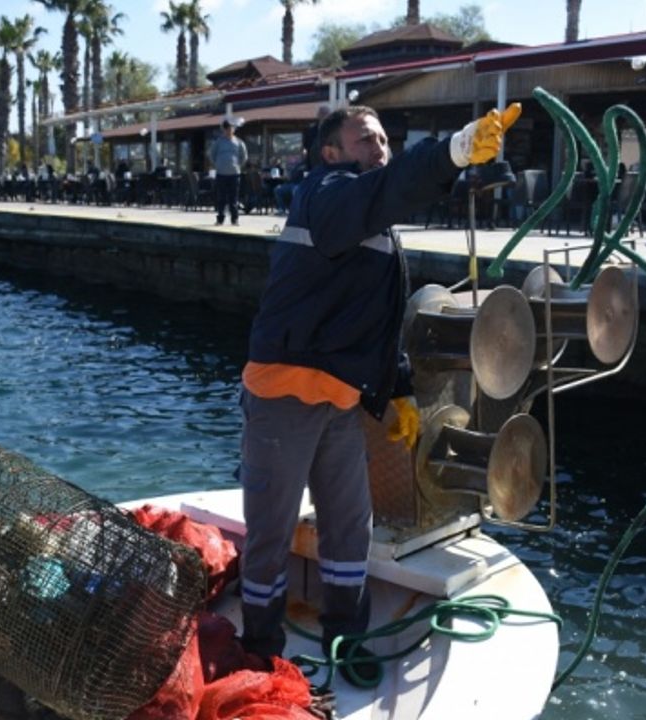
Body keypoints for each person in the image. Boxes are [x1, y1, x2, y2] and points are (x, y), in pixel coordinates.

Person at [236, 102, 520, 684]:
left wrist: (401, 394)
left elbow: (378, 324)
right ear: (331, 152)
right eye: (366, 137)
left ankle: (351, 637)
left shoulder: (370, 219)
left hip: (340, 401)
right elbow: (388, 188)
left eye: (386, 138)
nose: (381, 146)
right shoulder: (326, 195)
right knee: (270, 528)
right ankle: (259, 649)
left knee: (350, 527)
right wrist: (453, 151)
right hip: (284, 396)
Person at [210, 120, 249, 226]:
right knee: (221, 198)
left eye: (231, 128)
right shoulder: (219, 142)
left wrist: (237, 166)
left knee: (234, 198)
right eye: (226, 128)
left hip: (234, 174)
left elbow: (244, 157)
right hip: (221, 173)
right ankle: (220, 219)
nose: (228, 130)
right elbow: (212, 155)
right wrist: (218, 165)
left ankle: (234, 219)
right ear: (224, 129)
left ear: (233, 129)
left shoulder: (239, 142)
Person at [301, 104, 331, 172]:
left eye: (326, 113)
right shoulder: (311, 131)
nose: (324, 116)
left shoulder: (333, 130)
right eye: (322, 113)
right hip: (313, 165)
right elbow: (306, 147)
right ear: (318, 115)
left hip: (329, 165)